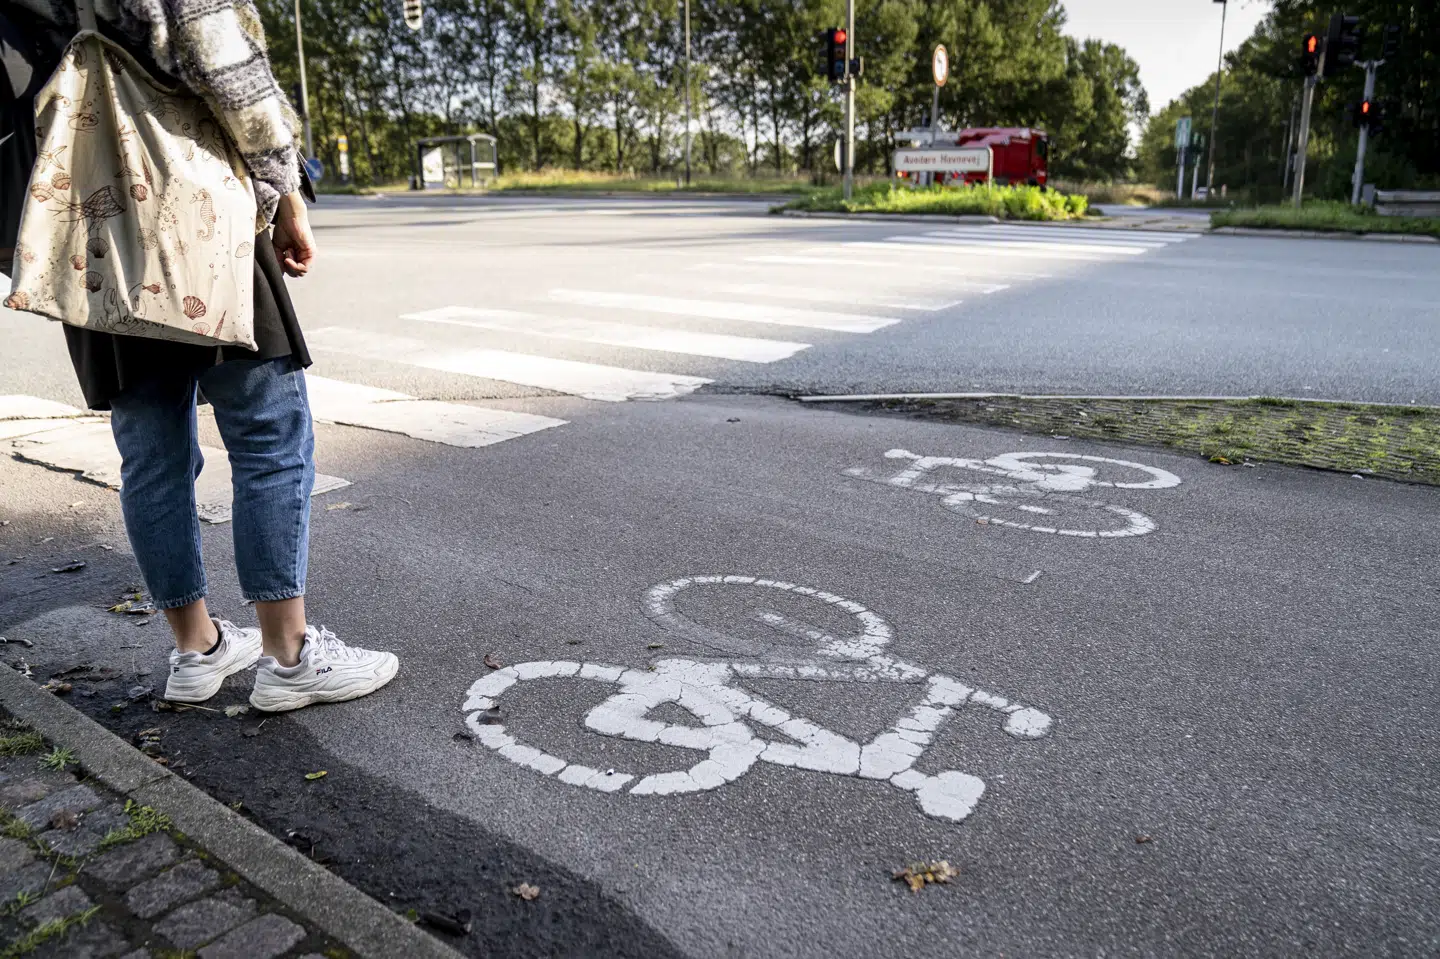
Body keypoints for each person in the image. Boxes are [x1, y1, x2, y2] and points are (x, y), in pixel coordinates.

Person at [2, 0, 397, 711]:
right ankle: (289, 655)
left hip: (85, 217)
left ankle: (195, 649)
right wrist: (283, 192)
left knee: (149, 451)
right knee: (269, 430)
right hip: (191, 207)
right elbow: (221, 57)